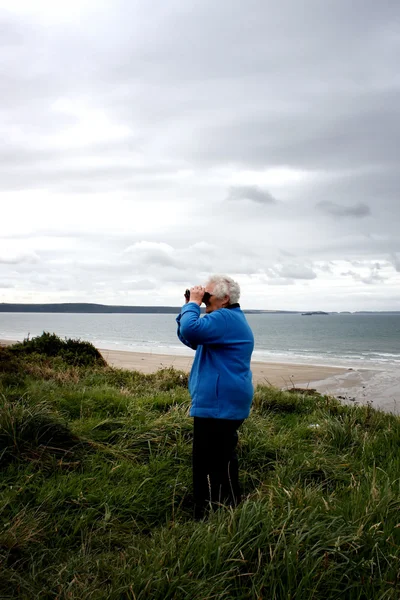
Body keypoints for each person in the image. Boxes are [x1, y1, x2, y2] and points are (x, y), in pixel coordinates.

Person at [176, 274, 254, 519]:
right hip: (221, 402)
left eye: (208, 295)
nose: (204, 299)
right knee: (219, 458)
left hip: (220, 403)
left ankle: (210, 514)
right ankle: (227, 508)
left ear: (225, 298)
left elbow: (190, 327)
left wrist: (192, 306)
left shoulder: (225, 318)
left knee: (208, 462)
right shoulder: (225, 320)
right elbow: (188, 335)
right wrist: (190, 304)